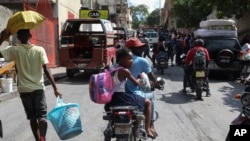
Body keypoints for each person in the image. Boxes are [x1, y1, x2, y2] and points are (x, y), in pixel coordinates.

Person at [0, 29, 62, 141]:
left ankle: (38, 139)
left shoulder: (15, 50)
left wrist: (1, 38)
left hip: (24, 90)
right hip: (38, 88)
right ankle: (43, 138)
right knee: (42, 117)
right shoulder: (40, 50)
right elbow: (47, 70)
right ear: (30, 35)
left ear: (18, 38)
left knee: (32, 118)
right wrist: (55, 88)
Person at [104, 47, 156, 139]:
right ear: (121, 59)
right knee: (148, 102)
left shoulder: (113, 68)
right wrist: (141, 77)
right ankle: (148, 129)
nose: (132, 61)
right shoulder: (125, 71)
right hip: (122, 98)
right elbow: (136, 83)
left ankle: (111, 127)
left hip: (112, 100)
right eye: (129, 58)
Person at [125, 38, 159, 136]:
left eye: (141, 47)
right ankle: (150, 126)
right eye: (138, 48)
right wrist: (156, 83)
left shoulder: (118, 63)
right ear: (131, 49)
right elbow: (150, 76)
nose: (141, 50)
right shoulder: (141, 61)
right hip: (133, 94)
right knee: (150, 98)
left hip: (119, 96)